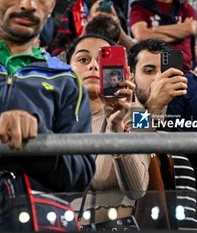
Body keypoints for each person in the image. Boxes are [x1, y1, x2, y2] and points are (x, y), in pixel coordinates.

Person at [0, 0, 95, 231]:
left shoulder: (67, 81)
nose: (28, 4)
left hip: (42, 220)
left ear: (51, 6)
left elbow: (79, 181)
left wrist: (39, 139)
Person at [66, 34, 150, 230]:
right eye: (83, 59)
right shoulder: (57, 118)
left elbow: (137, 189)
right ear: (67, 69)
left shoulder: (140, 114)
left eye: (103, 60)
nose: (93, 66)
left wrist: (116, 126)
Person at [127, 39, 197, 230]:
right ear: (130, 77)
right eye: (148, 71)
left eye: (164, 71)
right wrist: (153, 106)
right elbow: (135, 144)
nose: (159, 78)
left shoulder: (182, 134)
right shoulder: (119, 122)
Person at [129, 0, 197, 72]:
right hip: (153, 70)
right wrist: (180, 30)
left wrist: (153, 30)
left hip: (184, 70)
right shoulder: (140, 7)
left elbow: (190, 29)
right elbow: (141, 35)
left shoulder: (185, 8)